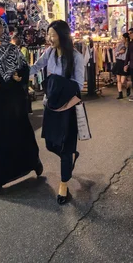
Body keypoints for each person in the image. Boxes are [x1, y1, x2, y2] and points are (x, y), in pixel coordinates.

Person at [0, 17, 42, 199]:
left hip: (11, 105)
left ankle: (33, 162)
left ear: (4, 29)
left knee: (18, 137)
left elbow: (23, 72)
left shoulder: (13, 50)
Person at [30, 20, 85, 205]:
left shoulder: (76, 57)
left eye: (53, 34)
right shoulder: (49, 52)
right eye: (49, 34)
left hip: (68, 108)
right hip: (51, 105)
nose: (50, 38)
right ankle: (69, 157)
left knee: (65, 145)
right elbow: (36, 67)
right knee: (51, 144)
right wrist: (19, 74)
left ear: (62, 35)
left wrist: (57, 83)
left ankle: (63, 183)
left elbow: (79, 84)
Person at [11, 33, 32, 113]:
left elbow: (24, 63)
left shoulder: (23, 50)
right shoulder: (15, 50)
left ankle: (27, 109)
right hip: (17, 75)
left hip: (22, 74)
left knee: (24, 92)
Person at [113, 33, 130, 99]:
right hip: (119, 62)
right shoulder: (119, 45)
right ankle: (120, 94)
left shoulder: (129, 46)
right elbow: (115, 53)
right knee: (118, 80)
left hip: (125, 63)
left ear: (126, 38)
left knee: (123, 80)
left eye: (123, 38)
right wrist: (119, 52)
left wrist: (128, 64)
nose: (122, 39)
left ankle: (127, 86)